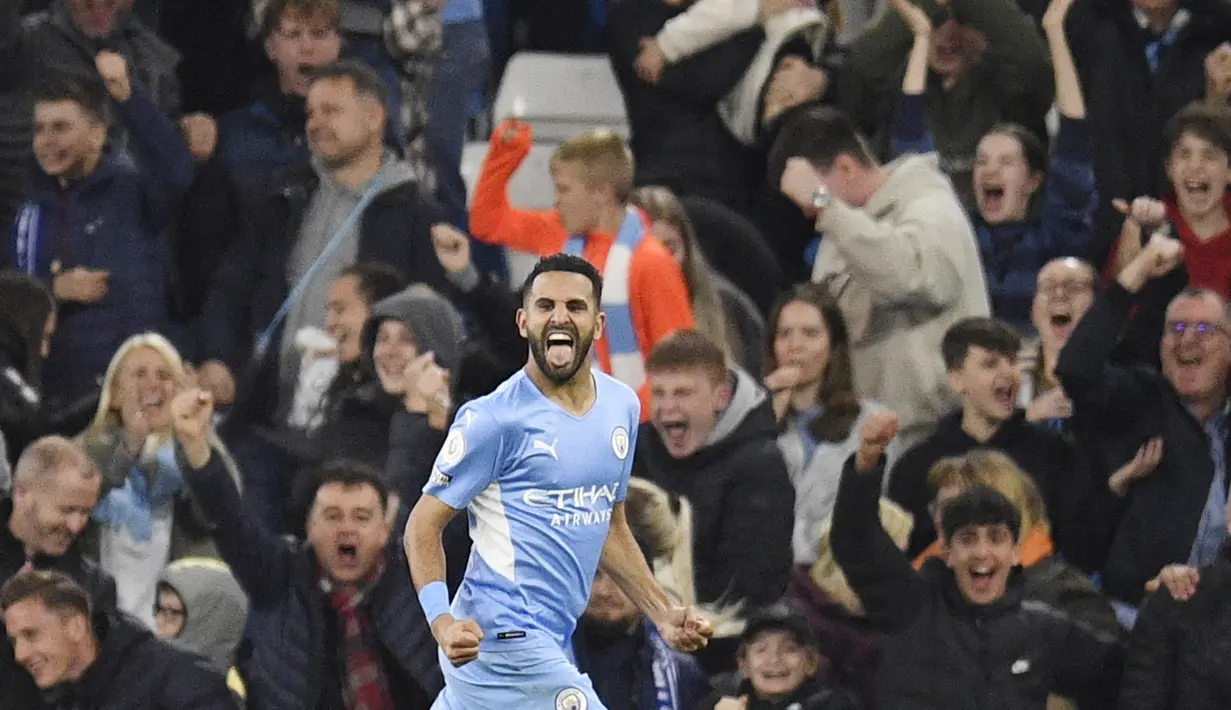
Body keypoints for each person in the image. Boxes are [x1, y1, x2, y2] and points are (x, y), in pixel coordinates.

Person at [405, 253, 713, 709]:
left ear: (599, 323)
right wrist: (442, 622)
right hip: (498, 637)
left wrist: (663, 612)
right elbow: (421, 527)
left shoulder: (621, 408)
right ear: (524, 321)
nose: (560, 316)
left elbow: (608, 527)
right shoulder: (493, 420)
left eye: (575, 306)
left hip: (551, 637)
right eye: (546, 305)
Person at [173, 386, 444, 710]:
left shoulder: (416, 573)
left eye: (361, 517)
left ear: (385, 531)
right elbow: (230, 520)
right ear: (309, 528)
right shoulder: (279, 577)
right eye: (332, 516)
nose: (346, 528)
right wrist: (195, 444)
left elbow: (426, 488)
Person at [831, 411, 1123, 708]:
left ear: (1016, 547)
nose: (981, 551)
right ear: (946, 547)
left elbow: (1121, 677)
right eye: (966, 536)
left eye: (994, 536)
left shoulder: (1049, 621)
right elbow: (856, 542)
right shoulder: (910, 604)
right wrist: (865, 464)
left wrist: (1164, 606)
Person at [778, 105, 990, 449]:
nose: (807, 211)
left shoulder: (931, 207)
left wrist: (824, 203)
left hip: (932, 437)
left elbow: (909, 279)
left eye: (809, 199)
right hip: (865, 434)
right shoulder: (839, 228)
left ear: (846, 167)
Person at [888, 0, 1095, 333]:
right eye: (982, 161)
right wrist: (922, 37)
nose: (990, 171)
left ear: (1034, 180)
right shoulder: (959, 235)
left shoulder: (1054, 239)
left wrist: (1055, 32)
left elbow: (1074, 141)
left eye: (1006, 162)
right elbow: (911, 151)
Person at [1054, 231, 1224, 624]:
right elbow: (1076, 368)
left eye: (1204, 330)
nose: (1187, 341)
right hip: (1135, 614)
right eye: (1176, 329)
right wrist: (1135, 275)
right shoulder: (1141, 398)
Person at [468, 121, 695, 411]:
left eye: (564, 190)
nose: (556, 201)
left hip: (638, 432)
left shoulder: (651, 263)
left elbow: (677, 365)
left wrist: (614, 420)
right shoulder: (560, 235)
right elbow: (487, 222)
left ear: (601, 192)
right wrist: (507, 152)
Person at [11, 54, 195, 402]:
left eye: (61, 128)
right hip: (57, 399)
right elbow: (13, 310)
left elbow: (177, 171)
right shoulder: (29, 216)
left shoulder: (133, 191)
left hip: (134, 395)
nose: (46, 141)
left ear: (97, 136)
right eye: (39, 129)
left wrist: (129, 97)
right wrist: (53, 290)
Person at [888, 317, 1093, 561]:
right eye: (991, 364)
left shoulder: (1055, 454)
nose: (1008, 373)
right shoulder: (915, 466)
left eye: (1013, 361)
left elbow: (1082, 550)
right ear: (956, 379)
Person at [77, 333, 242, 627]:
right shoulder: (85, 450)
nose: (153, 384)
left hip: (174, 629)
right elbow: (79, 499)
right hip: (95, 622)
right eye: (139, 373)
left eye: (165, 375)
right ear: (114, 393)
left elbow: (222, 512)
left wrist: (193, 435)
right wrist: (130, 445)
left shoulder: (200, 451)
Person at [634, 329, 795, 611]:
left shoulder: (760, 466)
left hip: (724, 635)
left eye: (683, 393)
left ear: (720, 397)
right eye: (659, 393)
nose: (668, 407)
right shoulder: (636, 449)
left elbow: (746, 591)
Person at [766, 283, 901, 565]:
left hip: (839, 575)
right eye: (784, 334)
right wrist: (760, 426)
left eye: (810, 334)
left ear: (833, 347)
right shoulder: (750, 423)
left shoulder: (870, 422)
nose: (795, 346)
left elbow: (878, 516)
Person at [1, 569, 238, 710]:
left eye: (31, 635)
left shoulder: (178, 678)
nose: (20, 654)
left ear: (76, 626)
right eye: (14, 641)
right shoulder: (61, 696)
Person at [1, 437, 114, 708]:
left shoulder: (93, 587)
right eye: (66, 510)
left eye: (84, 512)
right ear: (22, 493)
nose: (76, 526)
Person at [631, 186, 766, 375]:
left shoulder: (729, 306)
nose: (662, 263)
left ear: (687, 247)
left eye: (670, 248)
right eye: (649, 252)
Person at [699, 604, 861, 710]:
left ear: (811, 662)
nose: (774, 660)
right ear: (744, 665)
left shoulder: (835, 705)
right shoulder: (720, 703)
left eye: (789, 649)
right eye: (761, 650)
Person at [156, 558, 250, 703]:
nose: (159, 623)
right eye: (160, 610)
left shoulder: (223, 696)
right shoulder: (149, 673)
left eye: (173, 613)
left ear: (212, 619)